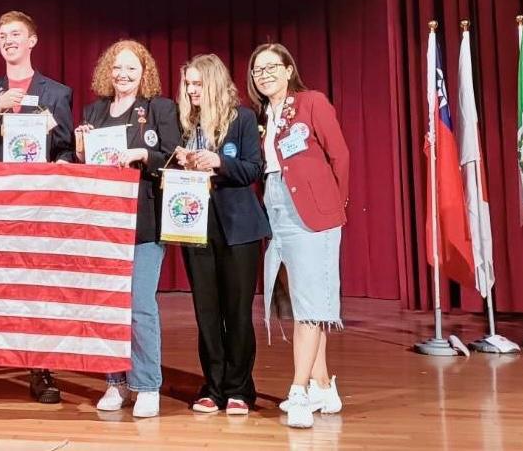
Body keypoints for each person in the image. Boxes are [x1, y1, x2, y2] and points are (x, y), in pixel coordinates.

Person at [0, 10, 75, 404]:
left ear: (32, 41)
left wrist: (60, 148)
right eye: (3, 35)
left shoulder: (57, 92)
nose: (9, 40)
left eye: (16, 34)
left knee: (36, 289)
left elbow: (69, 148)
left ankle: (39, 371)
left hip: (38, 204)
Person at [247, 43, 348, 428]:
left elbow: (340, 155)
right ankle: (324, 385)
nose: (265, 74)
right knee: (305, 300)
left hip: (312, 211)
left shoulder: (310, 103)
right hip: (276, 206)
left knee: (309, 303)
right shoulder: (263, 116)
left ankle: (299, 391)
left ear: (289, 69)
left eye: (272, 67)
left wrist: (335, 206)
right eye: (258, 70)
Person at [76, 40, 179, 418]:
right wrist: (81, 146)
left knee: (139, 306)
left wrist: (142, 155)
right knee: (108, 307)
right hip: (104, 223)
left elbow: (173, 154)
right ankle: (115, 382)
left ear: (144, 72)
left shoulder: (159, 108)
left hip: (143, 222)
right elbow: (84, 166)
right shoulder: (95, 111)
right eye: (117, 68)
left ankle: (147, 384)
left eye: (131, 68)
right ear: (107, 70)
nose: (123, 74)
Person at [173, 53, 270, 417]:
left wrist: (218, 162)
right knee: (207, 312)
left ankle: (240, 389)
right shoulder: (185, 122)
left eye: (198, 84)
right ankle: (212, 387)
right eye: (188, 84)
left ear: (213, 82)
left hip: (239, 227)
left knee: (238, 312)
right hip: (196, 224)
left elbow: (253, 169)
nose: (192, 90)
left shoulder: (242, 118)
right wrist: (182, 161)